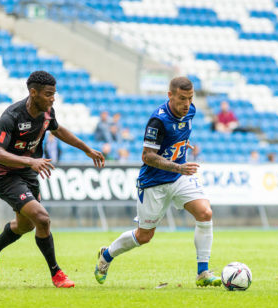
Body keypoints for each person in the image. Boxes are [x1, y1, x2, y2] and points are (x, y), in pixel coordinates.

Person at [0, 71, 105, 288]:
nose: (52, 98)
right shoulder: (12, 117)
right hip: (6, 176)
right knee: (42, 218)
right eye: (48, 94)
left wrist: (87, 149)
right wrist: (30, 162)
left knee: (24, 226)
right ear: (33, 92)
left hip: (29, 175)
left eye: (54, 94)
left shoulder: (47, 113)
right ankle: (57, 274)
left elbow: (59, 130)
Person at [94, 77, 221, 287]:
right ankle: (107, 255)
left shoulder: (191, 111)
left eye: (190, 98)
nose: (186, 104)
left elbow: (178, 133)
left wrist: (180, 146)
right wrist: (179, 165)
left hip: (179, 177)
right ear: (169, 95)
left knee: (205, 213)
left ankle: (203, 272)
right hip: (154, 182)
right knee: (144, 236)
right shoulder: (158, 121)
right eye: (181, 98)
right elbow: (147, 156)